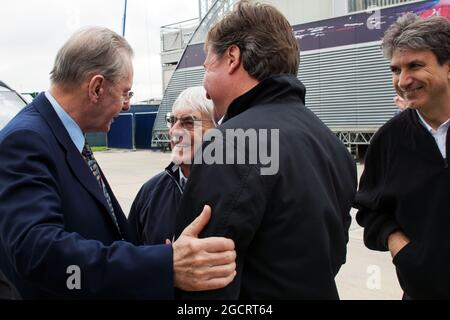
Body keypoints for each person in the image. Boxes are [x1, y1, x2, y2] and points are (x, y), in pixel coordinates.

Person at [0, 27, 236, 299]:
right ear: (97, 88)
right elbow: (39, 255)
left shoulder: (61, 137)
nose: (127, 106)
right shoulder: (27, 140)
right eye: (126, 93)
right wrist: (163, 264)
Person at [175, 1, 357, 299]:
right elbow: (332, 257)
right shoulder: (333, 145)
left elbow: (203, 281)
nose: (204, 89)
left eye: (207, 66)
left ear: (232, 57)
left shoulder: (228, 143)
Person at [355, 13, 450, 299]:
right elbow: (371, 210)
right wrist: (403, 248)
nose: (403, 80)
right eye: (396, 70)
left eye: (415, 66)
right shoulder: (388, 140)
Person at [128, 86, 216, 245]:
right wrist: (163, 259)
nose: (174, 132)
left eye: (188, 122)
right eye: (172, 121)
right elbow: (130, 255)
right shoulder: (150, 191)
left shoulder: (234, 189)